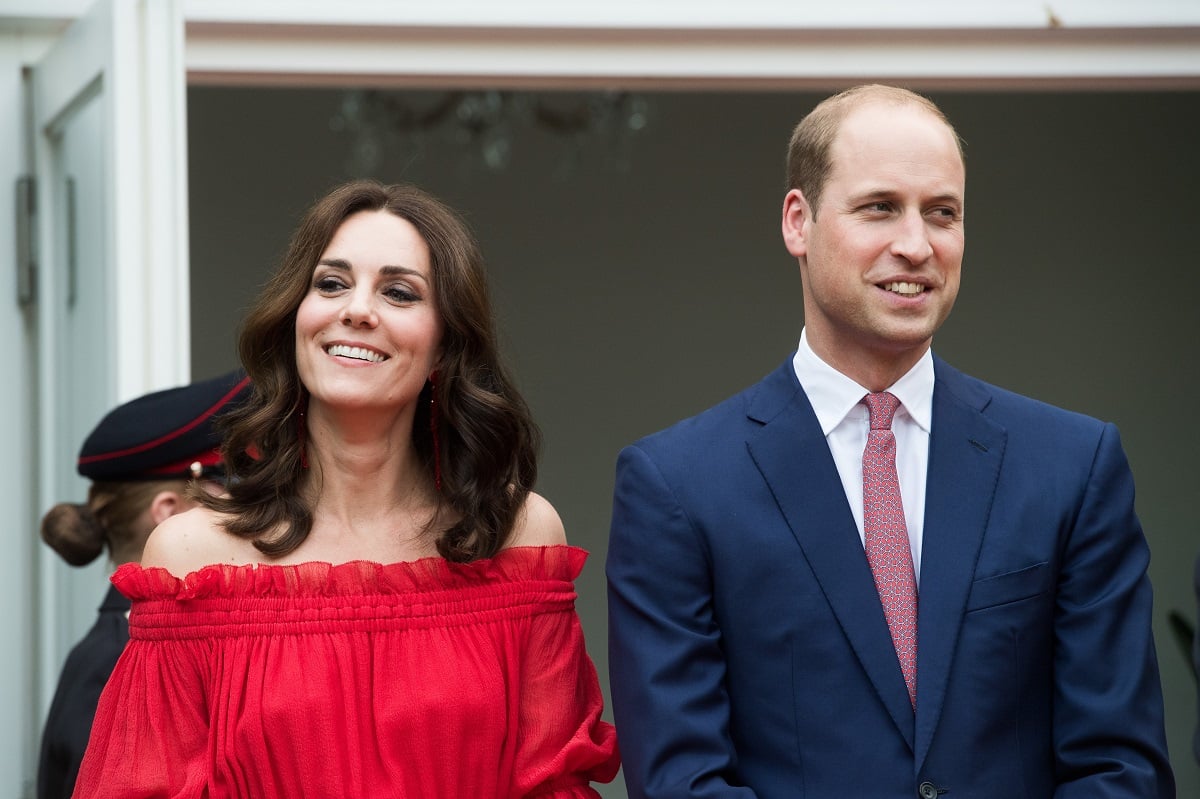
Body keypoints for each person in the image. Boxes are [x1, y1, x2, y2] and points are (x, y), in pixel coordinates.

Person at [606, 84, 1173, 798]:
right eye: (880, 207)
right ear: (798, 222)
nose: (916, 245)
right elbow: (681, 780)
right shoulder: (677, 485)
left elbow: (1121, 768)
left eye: (943, 213)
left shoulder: (1074, 465)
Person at [73, 179, 619, 797]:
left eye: (398, 291)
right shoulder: (191, 557)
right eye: (331, 284)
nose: (357, 309)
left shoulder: (519, 537)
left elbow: (555, 785)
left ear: (446, 346)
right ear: (295, 321)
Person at [36, 369, 251, 799]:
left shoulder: (124, 642)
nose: (247, 511)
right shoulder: (120, 659)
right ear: (169, 511)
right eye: (227, 488)